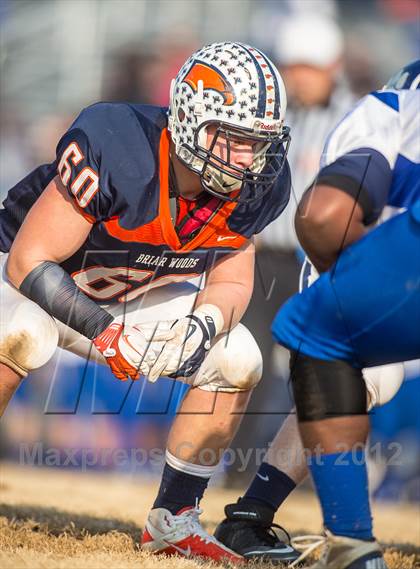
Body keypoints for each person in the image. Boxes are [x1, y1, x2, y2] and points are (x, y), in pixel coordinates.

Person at [0, 42, 292, 562]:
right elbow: (29, 261)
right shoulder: (119, 143)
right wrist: (106, 333)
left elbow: (231, 283)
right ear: (189, 123)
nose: (251, 159)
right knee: (21, 334)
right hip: (25, 278)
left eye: (260, 142)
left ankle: (174, 520)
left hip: (119, 295)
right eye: (236, 139)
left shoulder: (256, 185)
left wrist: (203, 324)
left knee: (236, 355)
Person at [215, 60, 420, 567]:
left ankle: (349, 544)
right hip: (302, 259)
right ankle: (251, 510)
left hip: (388, 264)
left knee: (324, 342)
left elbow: (326, 216)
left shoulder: (385, 111)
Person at [228, 14, 356, 478]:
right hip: (266, 259)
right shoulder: (271, 116)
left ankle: (306, 474)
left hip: (325, 266)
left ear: (332, 65)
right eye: (293, 66)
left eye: (310, 66)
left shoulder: (358, 119)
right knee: (248, 360)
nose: (300, 76)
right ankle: (238, 470)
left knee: (321, 370)